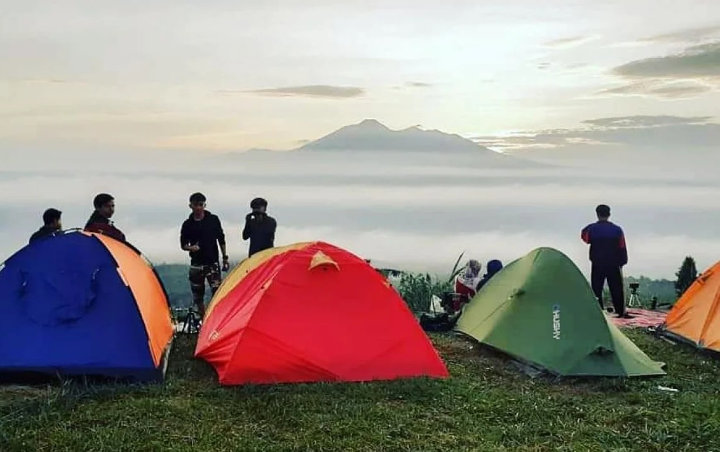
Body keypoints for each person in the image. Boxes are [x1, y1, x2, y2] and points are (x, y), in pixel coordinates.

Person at [180, 193, 229, 318]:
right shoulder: (187, 224)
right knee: (198, 295)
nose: (198, 208)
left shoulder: (213, 220)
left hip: (212, 262)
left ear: (204, 205)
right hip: (196, 263)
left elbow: (221, 239)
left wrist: (224, 257)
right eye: (196, 205)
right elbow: (183, 245)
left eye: (201, 205)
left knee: (217, 293)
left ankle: (215, 319)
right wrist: (192, 248)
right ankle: (204, 320)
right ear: (190, 206)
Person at [581, 204, 631, 318]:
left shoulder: (592, 229)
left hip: (597, 262)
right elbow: (622, 246)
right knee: (616, 288)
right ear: (609, 214)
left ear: (597, 214)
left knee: (596, 288)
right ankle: (619, 310)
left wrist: (593, 225)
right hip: (614, 263)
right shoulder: (617, 230)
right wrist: (623, 261)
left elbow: (585, 238)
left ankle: (598, 311)